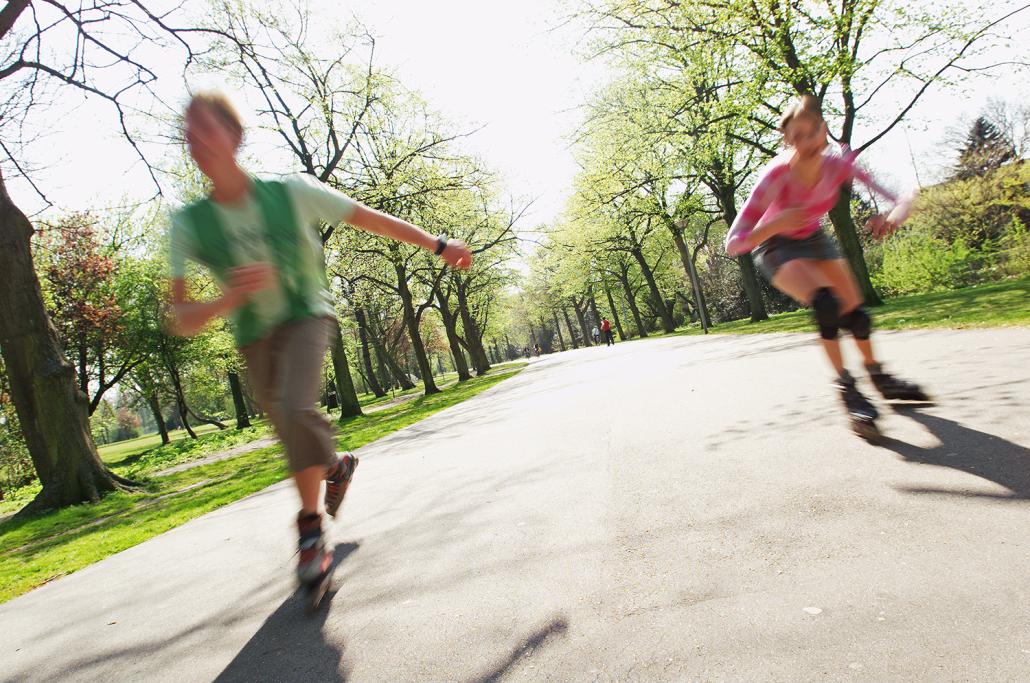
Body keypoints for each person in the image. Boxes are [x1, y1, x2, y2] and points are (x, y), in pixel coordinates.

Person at [168, 92, 472, 586]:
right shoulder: (189, 224)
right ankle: (336, 466)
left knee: (294, 407)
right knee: (291, 426)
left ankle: (310, 530)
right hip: (252, 334)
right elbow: (180, 317)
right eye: (188, 131)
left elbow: (370, 218)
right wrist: (229, 297)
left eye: (206, 127)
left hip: (307, 314)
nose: (195, 139)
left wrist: (438, 245)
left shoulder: (290, 193)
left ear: (235, 136)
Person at [723, 95, 927, 436]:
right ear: (787, 139)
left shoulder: (838, 164)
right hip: (776, 245)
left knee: (857, 315)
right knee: (827, 305)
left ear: (824, 128)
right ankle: (848, 391)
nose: (806, 141)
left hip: (816, 240)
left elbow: (906, 195)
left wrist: (893, 216)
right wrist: (777, 222)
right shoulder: (776, 176)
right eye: (797, 136)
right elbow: (735, 243)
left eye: (813, 131)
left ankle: (879, 376)